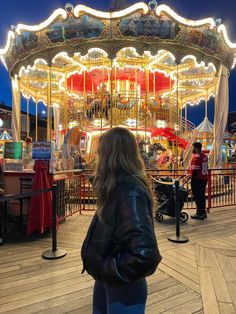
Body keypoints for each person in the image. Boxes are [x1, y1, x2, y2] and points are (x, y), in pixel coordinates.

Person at [81, 127, 162, 314]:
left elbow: (144, 255)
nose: (97, 154)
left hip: (122, 284)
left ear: (111, 154)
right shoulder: (114, 187)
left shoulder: (129, 191)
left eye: (101, 150)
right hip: (108, 279)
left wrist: (105, 267)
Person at [188, 142, 208, 220]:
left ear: (196, 148)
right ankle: (203, 212)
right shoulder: (204, 156)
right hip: (204, 179)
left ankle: (199, 213)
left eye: (193, 148)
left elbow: (195, 171)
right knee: (202, 196)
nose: (192, 149)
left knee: (198, 197)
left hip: (198, 180)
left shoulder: (196, 157)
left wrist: (192, 180)